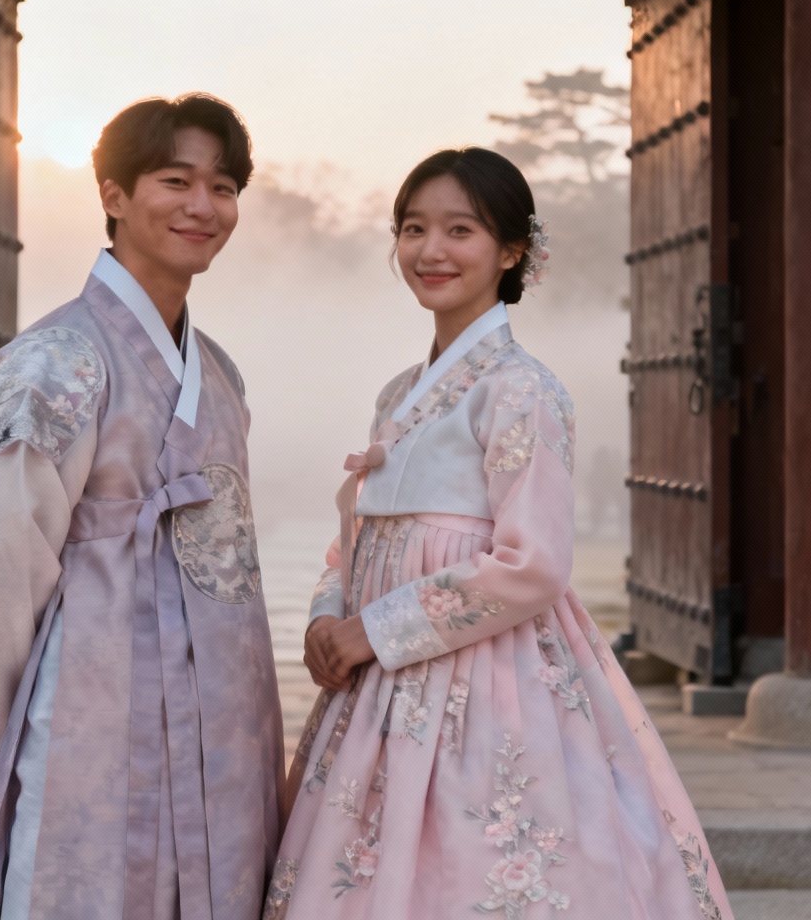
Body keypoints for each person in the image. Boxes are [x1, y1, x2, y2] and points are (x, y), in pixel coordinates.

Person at [264, 147, 733, 920]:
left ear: (512, 250)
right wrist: (328, 615)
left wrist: (375, 630)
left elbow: (531, 565)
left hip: (488, 680)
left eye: (460, 230)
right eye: (413, 229)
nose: (431, 251)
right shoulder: (396, 394)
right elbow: (353, 535)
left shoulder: (523, 390)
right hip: (378, 681)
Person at [0, 93, 284, 920]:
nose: (203, 207)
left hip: (225, 702)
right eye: (175, 180)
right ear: (114, 194)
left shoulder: (220, 372)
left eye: (224, 187)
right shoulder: (54, 360)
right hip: (97, 691)